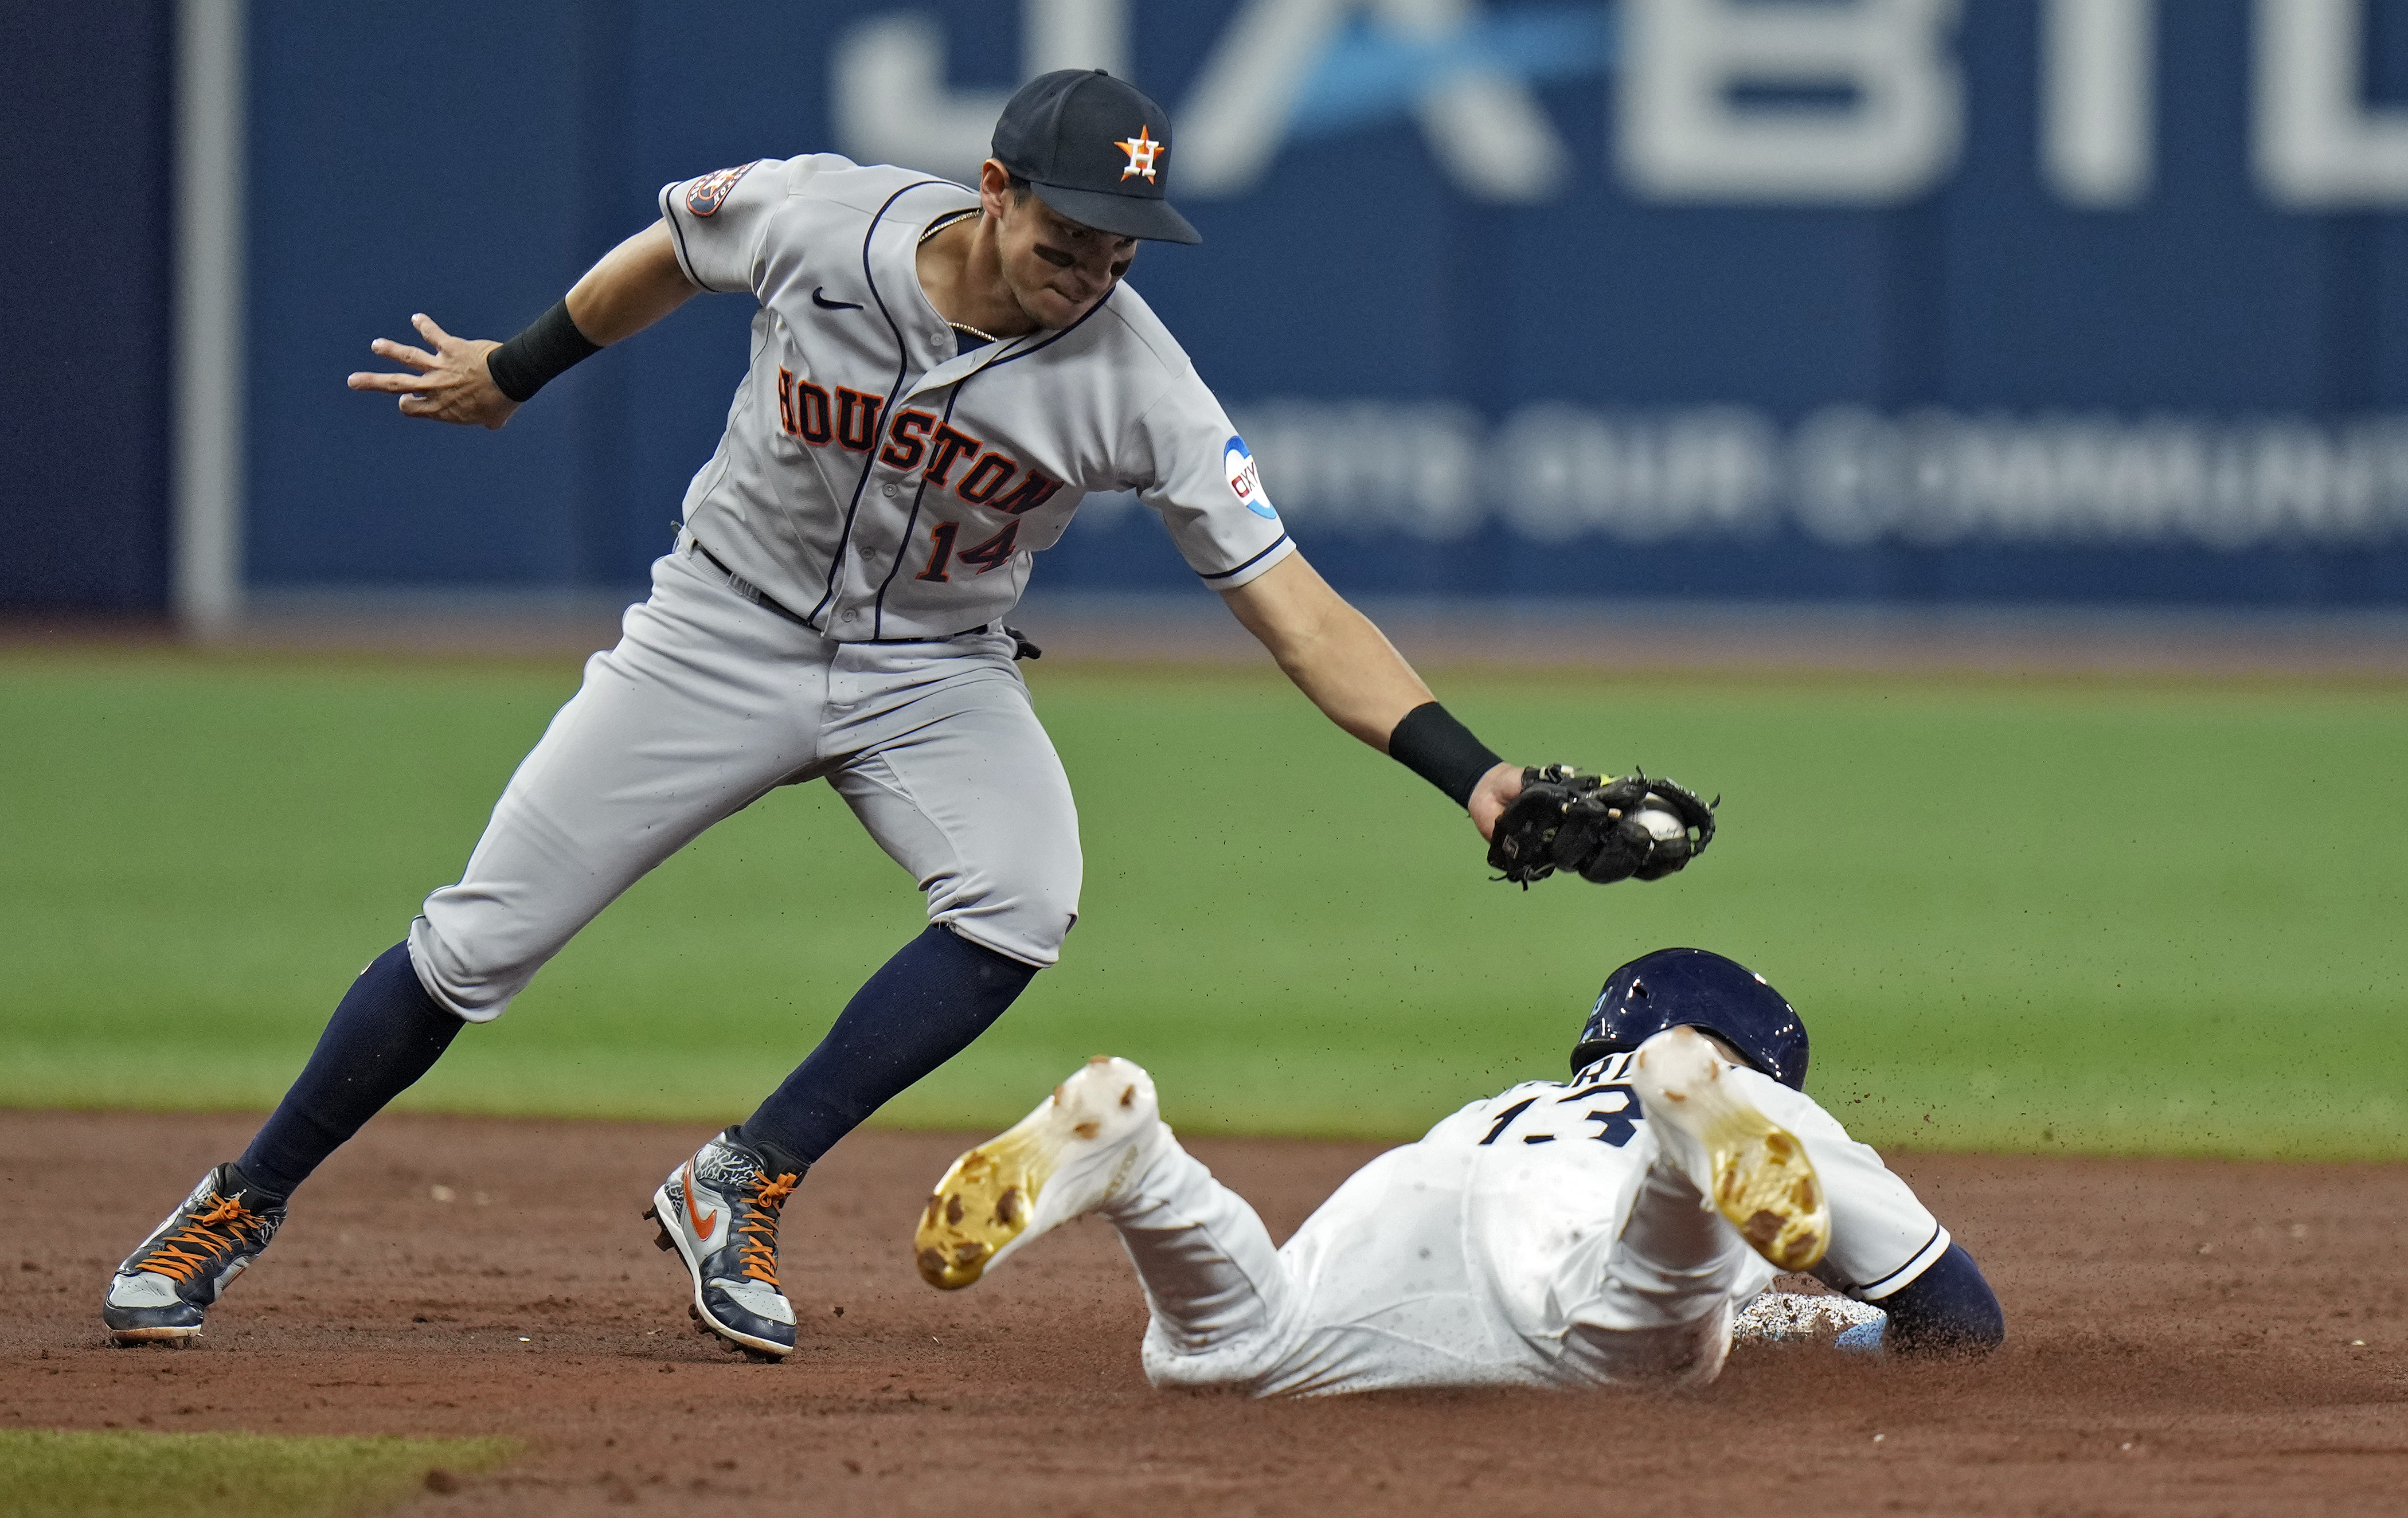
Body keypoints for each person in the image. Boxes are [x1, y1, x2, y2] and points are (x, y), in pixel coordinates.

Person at [99, 71, 1686, 1357]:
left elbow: (1296, 607)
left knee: (1020, 899)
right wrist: (519, 368)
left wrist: (1472, 779)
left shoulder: (1139, 381)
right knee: (477, 944)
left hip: (935, 670)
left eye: (1128, 242)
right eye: (1075, 230)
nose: (1099, 266)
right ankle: (242, 1199)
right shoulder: (817, 216)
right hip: (713, 637)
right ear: (994, 189)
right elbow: (668, 249)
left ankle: (742, 1176)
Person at [913, 948, 2004, 1394]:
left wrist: (1783, 1324)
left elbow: (1508, 1247)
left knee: (1234, 1354)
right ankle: (1685, 1165)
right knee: (1651, 1319)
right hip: (1583, 1269)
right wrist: (1846, 1329)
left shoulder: (1513, 1102)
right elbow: (1959, 1320)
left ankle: (1143, 1158)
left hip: (1409, 1203)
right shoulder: (1771, 1107)